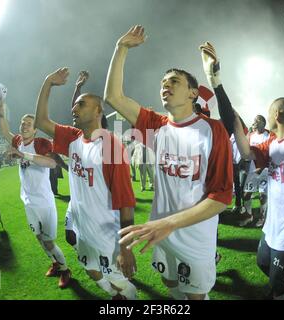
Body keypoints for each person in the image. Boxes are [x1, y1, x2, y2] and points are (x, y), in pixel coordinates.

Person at [105, 26, 233, 300]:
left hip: (195, 236)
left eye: (174, 81)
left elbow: (221, 197)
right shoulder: (155, 126)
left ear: (193, 93)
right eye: (163, 82)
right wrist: (121, 48)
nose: (166, 85)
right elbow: (114, 98)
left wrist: (170, 223)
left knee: (195, 297)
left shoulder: (212, 130)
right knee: (169, 283)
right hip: (160, 233)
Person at [200, 42, 284, 299]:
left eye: (268, 110)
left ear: (277, 113)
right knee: (262, 263)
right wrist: (216, 82)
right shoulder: (271, 144)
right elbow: (246, 153)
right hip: (271, 229)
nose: (265, 113)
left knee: (280, 288)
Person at [36, 67, 137, 300]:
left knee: (125, 288)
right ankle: (113, 295)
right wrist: (48, 82)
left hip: (106, 237)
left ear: (98, 110)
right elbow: (41, 121)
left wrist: (125, 248)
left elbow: (126, 203)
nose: (74, 108)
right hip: (83, 229)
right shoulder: (73, 138)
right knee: (90, 269)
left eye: (81, 104)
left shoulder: (111, 147)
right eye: (75, 104)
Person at [0, 103, 71, 289]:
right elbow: (5, 130)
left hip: (44, 202)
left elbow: (51, 163)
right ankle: (55, 263)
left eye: (28, 123)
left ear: (35, 129)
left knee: (48, 241)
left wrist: (23, 154)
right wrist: (0, 108)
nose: (24, 125)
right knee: (39, 238)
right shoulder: (17, 141)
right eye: (23, 122)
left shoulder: (40, 143)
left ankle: (64, 269)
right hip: (28, 201)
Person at [239, 115, 272, 228]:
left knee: (263, 195)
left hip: (264, 171)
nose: (254, 122)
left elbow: (268, 154)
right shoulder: (251, 135)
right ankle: (249, 216)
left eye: (257, 120)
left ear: (263, 122)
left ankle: (262, 217)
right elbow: (247, 152)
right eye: (254, 120)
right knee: (247, 194)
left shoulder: (268, 135)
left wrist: (262, 167)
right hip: (252, 170)